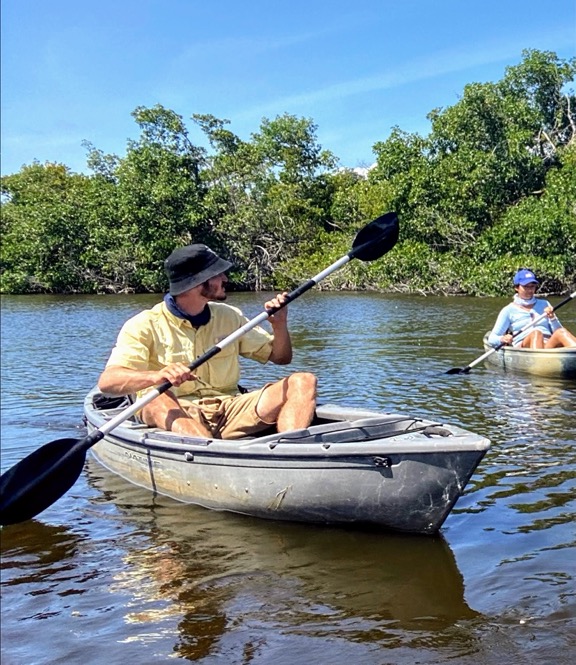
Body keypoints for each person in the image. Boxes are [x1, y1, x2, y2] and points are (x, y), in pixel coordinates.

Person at [98, 243, 318, 439]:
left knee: (303, 380)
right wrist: (157, 375)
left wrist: (279, 325)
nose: (225, 279)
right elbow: (108, 382)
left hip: (231, 408)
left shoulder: (230, 316)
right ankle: (207, 455)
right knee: (156, 399)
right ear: (197, 282)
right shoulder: (143, 324)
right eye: (218, 274)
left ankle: (291, 450)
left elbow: (281, 358)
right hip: (180, 410)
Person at [487, 269, 576, 349]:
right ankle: (538, 364)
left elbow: (557, 330)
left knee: (561, 332)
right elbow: (492, 338)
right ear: (516, 288)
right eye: (526, 286)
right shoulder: (508, 310)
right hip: (524, 346)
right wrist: (502, 338)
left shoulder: (545, 304)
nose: (530, 290)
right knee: (536, 333)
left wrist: (552, 318)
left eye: (532, 286)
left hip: (548, 345)